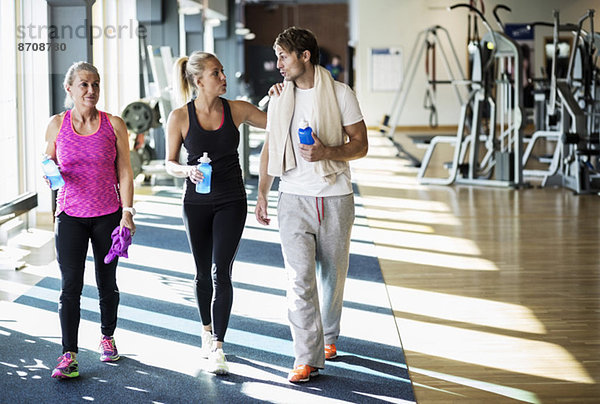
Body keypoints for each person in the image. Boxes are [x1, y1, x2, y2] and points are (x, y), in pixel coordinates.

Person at [255, 27, 368, 383]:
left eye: (283, 56)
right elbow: (271, 148)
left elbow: (361, 144)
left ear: (304, 55)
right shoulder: (279, 98)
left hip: (335, 196)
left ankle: (329, 337)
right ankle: (306, 357)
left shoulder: (340, 94)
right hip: (293, 197)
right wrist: (262, 192)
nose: (278, 65)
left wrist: (327, 153)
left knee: (332, 278)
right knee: (299, 281)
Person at [166, 51, 267, 375]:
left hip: (231, 200)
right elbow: (170, 162)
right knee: (200, 273)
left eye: (222, 71)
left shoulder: (235, 109)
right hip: (195, 203)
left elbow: (275, 122)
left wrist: (282, 94)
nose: (224, 77)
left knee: (220, 271)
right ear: (198, 81)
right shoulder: (180, 117)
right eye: (216, 73)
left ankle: (219, 346)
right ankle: (206, 331)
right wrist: (186, 171)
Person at [45, 61, 136, 379]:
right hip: (69, 216)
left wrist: (128, 211)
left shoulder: (114, 124)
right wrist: (49, 173)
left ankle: (107, 337)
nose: (91, 90)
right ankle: (68, 354)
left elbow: (125, 169)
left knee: (106, 283)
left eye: (95, 84)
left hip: (108, 215)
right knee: (70, 287)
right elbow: (48, 164)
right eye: (84, 84)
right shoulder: (57, 124)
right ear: (69, 88)